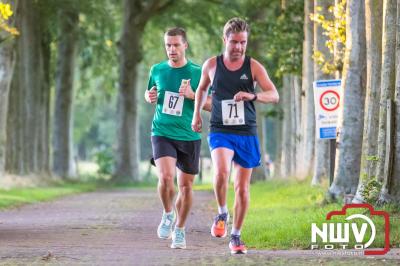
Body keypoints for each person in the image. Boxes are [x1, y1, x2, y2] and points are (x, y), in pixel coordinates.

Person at [191, 18, 279, 254]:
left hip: (246, 131)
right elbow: (200, 89)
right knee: (221, 172)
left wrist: (253, 96)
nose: (239, 47)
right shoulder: (211, 65)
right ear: (224, 40)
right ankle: (222, 212)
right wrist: (196, 115)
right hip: (221, 129)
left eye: (243, 42)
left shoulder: (253, 67)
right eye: (234, 42)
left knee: (242, 188)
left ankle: (236, 236)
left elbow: (274, 94)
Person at [145, 27, 211, 249]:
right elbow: (150, 93)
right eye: (168, 45)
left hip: (189, 134)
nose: (171, 49)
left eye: (175, 45)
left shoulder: (198, 72)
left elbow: (212, 104)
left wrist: (194, 96)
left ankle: (180, 230)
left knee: (185, 188)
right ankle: (167, 213)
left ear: (185, 46)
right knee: (165, 177)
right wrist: (149, 96)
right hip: (162, 131)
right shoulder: (157, 70)